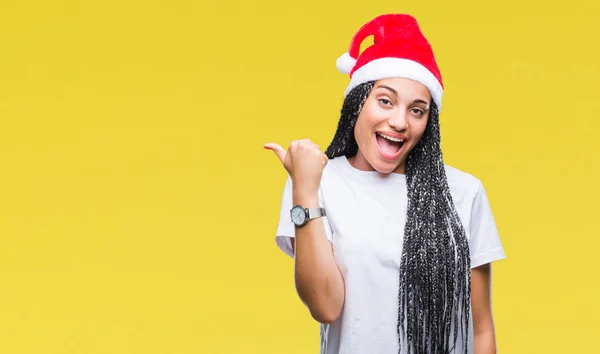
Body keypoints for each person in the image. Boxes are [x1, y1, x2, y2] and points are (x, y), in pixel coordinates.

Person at [264, 13, 506, 354]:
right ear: (356, 104)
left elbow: (481, 329)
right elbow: (325, 306)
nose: (399, 121)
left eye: (417, 110)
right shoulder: (318, 183)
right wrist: (304, 190)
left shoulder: (464, 192)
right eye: (385, 101)